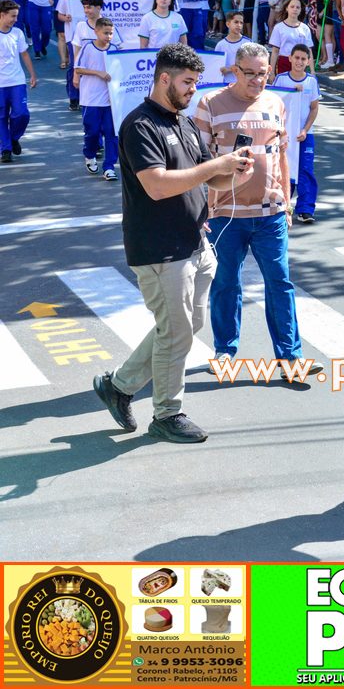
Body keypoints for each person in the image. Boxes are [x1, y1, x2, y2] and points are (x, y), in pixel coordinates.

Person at [92, 43, 253, 443]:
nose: (193, 90)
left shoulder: (184, 123)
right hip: (160, 249)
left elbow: (210, 178)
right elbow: (157, 186)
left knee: (183, 327)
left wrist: (236, 172)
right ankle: (167, 413)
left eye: (196, 82)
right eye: (187, 82)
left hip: (195, 242)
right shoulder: (139, 125)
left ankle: (118, 385)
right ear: (164, 78)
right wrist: (216, 165)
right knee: (176, 331)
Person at [193, 42, 323, 379]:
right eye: (249, 73)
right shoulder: (210, 104)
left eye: (262, 73)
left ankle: (291, 358)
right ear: (235, 70)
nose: (256, 79)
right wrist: (199, 210)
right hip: (225, 215)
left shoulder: (276, 102)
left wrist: (287, 202)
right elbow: (196, 163)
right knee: (225, 283)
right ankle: (224, 351)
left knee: (280, 282)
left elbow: (282, 154)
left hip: (271, 214)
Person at [273, 43, 321, 224]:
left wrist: (305, 130)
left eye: (303, 59)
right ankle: (282, 205)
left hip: (305, 135)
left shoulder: (311, 82)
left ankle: (305, 209)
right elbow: (274, 103)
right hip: (284, 135)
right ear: (290, 58)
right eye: (297, 58)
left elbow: (314, 108)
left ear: (308, 61)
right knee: (284, 169)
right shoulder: (281, 79)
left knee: (306, 170)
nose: (299, 62)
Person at [72, 17, 118, 179]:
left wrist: (116, 95)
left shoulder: (114, 49)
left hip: (109, 101)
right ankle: (90, 155)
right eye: (105, 33)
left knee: (112, 134)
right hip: (91, 99)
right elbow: (78, 68)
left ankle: (109, 167)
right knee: (92, 132)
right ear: (96, 32)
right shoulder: (88, 48)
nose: (108, 36)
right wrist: (97, 73)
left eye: (111, 33)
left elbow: (119, 73)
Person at [0, 0, 35, 164]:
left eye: (16, 16)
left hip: (17, 81)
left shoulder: (17, 33)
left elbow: (25, 54)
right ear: (2, 15)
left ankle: (14, 137)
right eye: (13, 16)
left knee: (22, 113)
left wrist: (32, 75)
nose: (15, 19)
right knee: (1, 117)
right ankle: (5, 150)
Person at [268, 0, 312, 79]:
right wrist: (272, 72)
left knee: (298, 86)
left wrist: (312, 71)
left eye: (297, 7)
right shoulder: (278, 27)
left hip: (300, 63)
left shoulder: (305, 28)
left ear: (301, 10)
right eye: (292, 7)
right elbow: (275, 51)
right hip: (283, 63)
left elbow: (309, 50)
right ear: (286, 8)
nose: (295, 9)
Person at [217, 10, 251, 84]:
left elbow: (251, 64)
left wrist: (230, 69)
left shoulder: (248, 43)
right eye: (236, 22)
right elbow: (216, 65)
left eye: (241, 23)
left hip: (243, 83)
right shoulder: (221, 44)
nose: (239, 25)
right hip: (225, 83)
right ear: (228, 24)